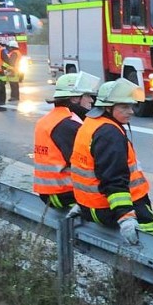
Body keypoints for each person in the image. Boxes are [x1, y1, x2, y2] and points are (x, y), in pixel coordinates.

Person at [71, 78, 153, 244]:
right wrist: (126, 217)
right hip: (118, 208)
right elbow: (113, 179)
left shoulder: (90, 124)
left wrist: (83, 205)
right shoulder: (109, 133)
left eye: (131, 106)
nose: (131, 111)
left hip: (91, 207)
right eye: (124, 107)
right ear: (108, 108)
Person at [33, 71, 101, 210]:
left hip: (52, 192)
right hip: (65, 193)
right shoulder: (68, 125)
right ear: (75, 98)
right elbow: (87, 164)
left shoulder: (51, 119)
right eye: (87, 96)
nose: (91, 101)